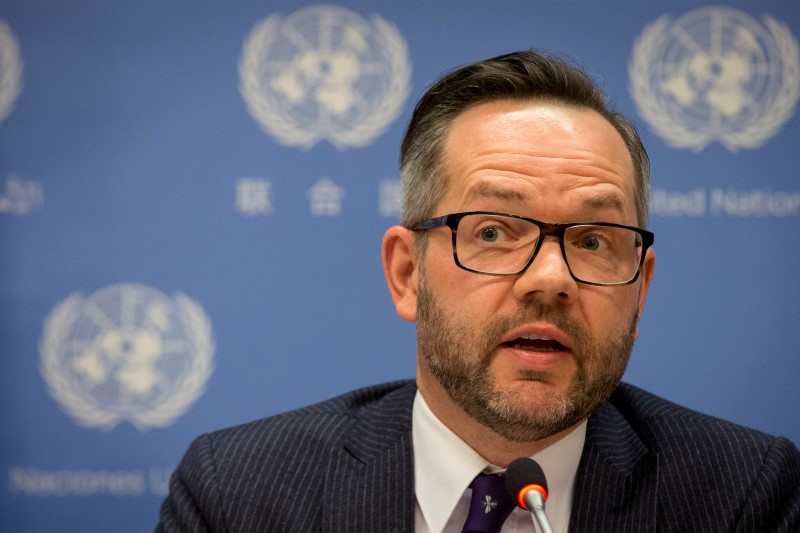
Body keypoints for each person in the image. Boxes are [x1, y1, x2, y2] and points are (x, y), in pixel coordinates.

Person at [157, 51, 800, 532]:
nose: (550, 280)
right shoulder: (238, 494)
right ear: (407, 273)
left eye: (596, 239)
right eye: (493, 230)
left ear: (641, 290)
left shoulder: (743, 495)